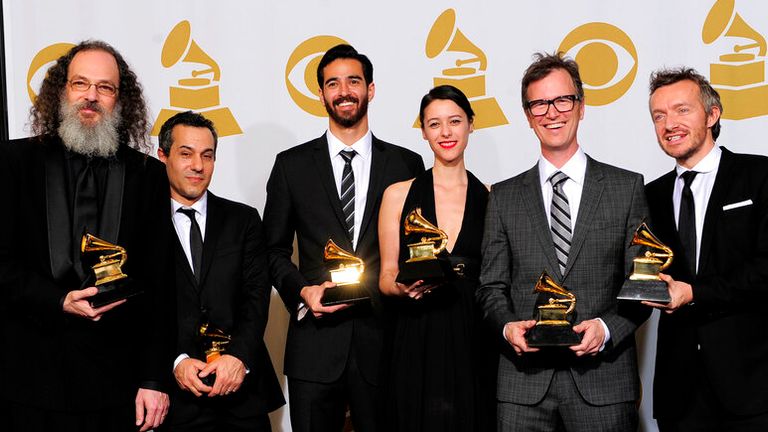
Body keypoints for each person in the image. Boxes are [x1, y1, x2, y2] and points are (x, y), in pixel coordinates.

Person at [0, 40, 173, 432]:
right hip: (27, 381)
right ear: (62, 91)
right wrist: (58, 299)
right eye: (81, 84)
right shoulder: (14, 163)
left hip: (117, 386)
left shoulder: (148, 176)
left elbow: (159, 285)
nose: (91, 96)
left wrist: (153, 380)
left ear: (120, 99)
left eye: (105, 87)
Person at [475, 52, 649, 431]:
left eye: (562, 100)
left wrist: (605, 329)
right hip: (523, 387)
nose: (552, 112)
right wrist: (507, 328)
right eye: (539, 103)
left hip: (603, 381)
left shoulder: (626, 188)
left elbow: (642, 286)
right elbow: (490, 287)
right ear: (527, 116)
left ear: (581, 106)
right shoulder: (503, 197)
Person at [263, 43, 424, 432]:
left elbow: (417, 249)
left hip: (385, 342)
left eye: (353, 80)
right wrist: (303, 292)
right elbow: (272, 251)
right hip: (315, 350)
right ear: (321, 95)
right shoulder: (292, 165)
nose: (344, 90)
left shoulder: (406, 164)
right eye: (332, 83)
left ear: (370, 89)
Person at [644, 67, 768, 431]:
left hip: (752, 384)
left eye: (682, 110)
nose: (670, 124)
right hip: (679, 392)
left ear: (712, 114)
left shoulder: (759, 176)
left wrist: (695, 292)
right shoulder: (650, 195)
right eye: (659, 116)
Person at [157, 111, 284, 431]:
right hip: (174, 398)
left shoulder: (243, 220)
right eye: (185, 154)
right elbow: (143, 306)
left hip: (241, 393)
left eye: (207, 155)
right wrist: (177, 361)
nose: (198, 165)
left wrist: (238, 357)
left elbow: (256, 296)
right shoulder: (141, 223)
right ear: (163, 156)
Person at [377, 85, 494, 431]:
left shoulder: (492, 197)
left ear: (471, 125)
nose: (446, 132)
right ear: (424, 131)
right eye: (434, 124)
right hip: (415, 332)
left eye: (455, 121)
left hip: (473, 335)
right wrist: (402, 290)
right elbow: (385, 274)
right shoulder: (397, 195)